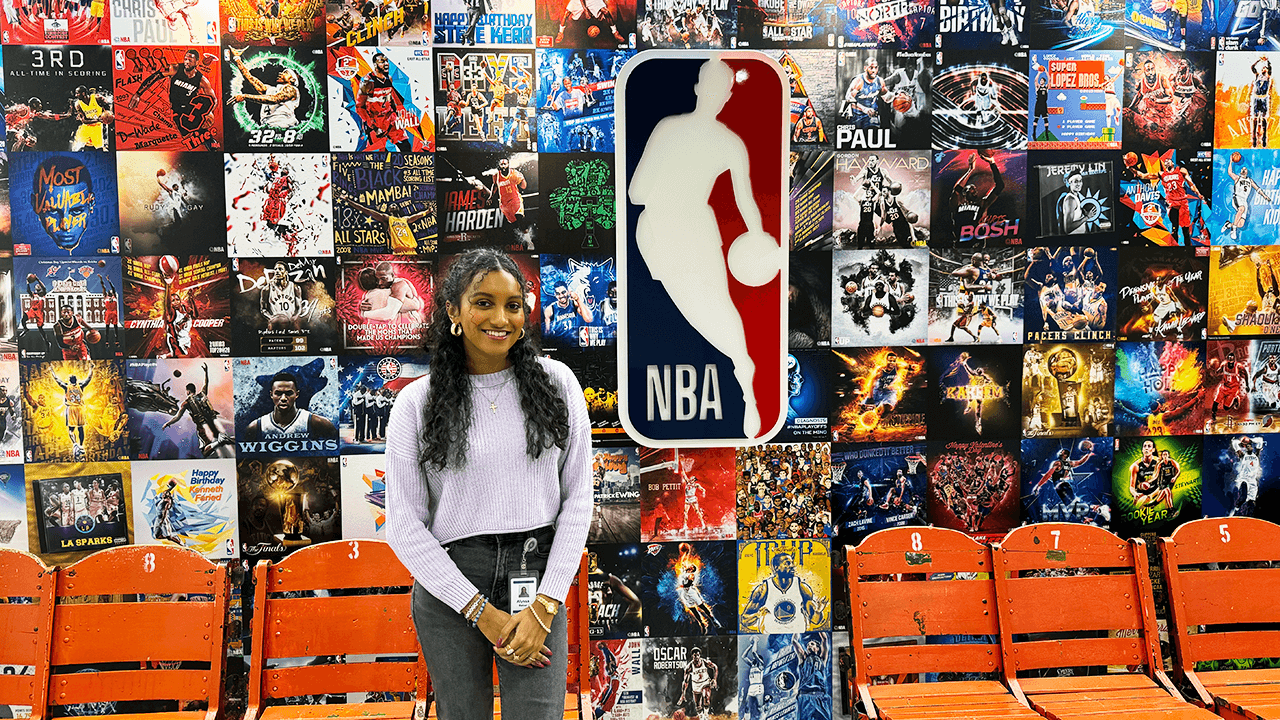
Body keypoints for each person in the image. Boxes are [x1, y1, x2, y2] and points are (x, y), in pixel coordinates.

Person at [385, 249, 592, 720]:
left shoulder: (558, 384)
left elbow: (578, 502)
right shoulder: (417, 403)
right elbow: (403, 525)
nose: (501, 318)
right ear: (453, 311)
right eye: (483, 302)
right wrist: (479, 610)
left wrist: (545, 605)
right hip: (453, 587)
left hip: (536, 581)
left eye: (513, 305)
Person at [241, 371, 339, 442]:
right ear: (271, 395)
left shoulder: (318, 423)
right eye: (278, 393)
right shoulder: (256, 427)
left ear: (297, 394)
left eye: (288, 393)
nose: (283, 398)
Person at [227, 47, 301, 129]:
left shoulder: (292, 89)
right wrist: (237, 59)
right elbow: (250, 79)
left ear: (293, 79)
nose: (280, 73)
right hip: (267, 125)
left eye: (286, 73)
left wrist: (245, 96)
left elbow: (275, 99)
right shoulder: (271, 89)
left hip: (284, 125)